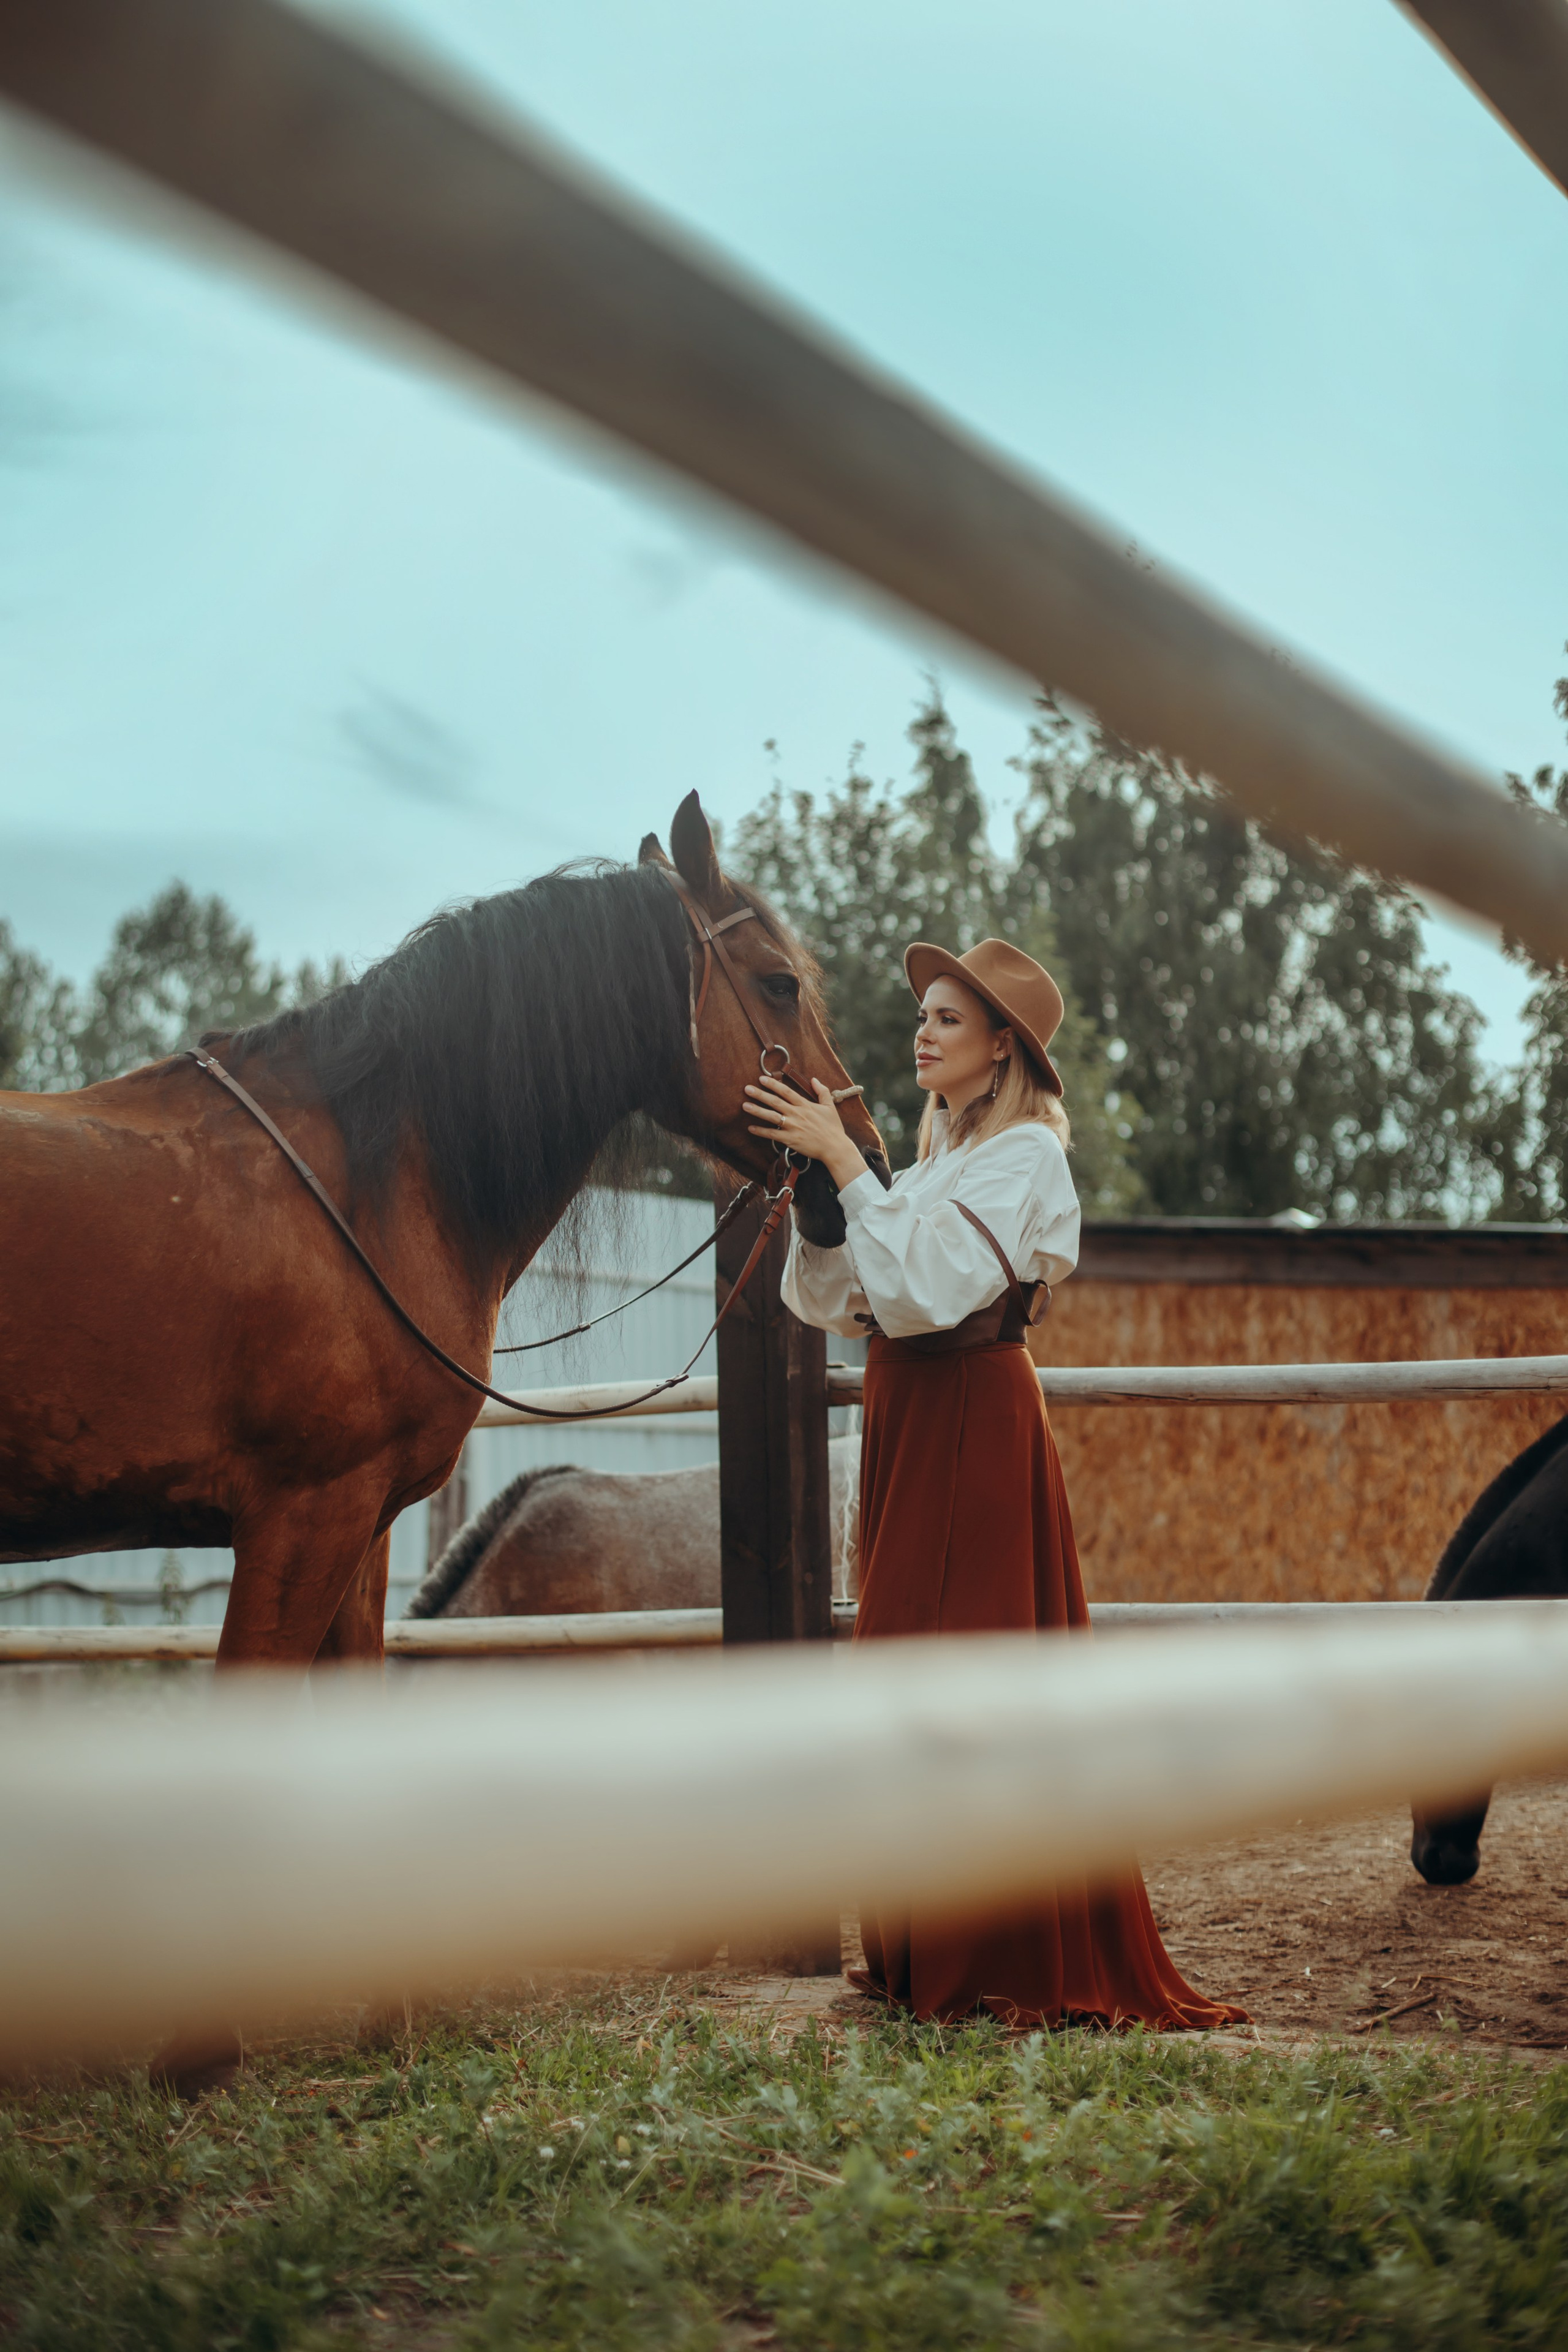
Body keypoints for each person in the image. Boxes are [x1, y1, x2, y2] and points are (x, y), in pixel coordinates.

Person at [747, 937, 1245, 2032]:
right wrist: (828, 1207)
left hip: (972, 1412)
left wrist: (845, 1168)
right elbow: (841, 1304)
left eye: (947, 1020)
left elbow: (928, 1294)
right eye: (922, 1016)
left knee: (964, 1663)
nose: (922, 1034)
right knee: (899, 1672)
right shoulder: (930, 1169)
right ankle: (919, 1952)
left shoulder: (1029, 1157)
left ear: (1000, 1046)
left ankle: (990, 1956)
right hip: (910, 1419)